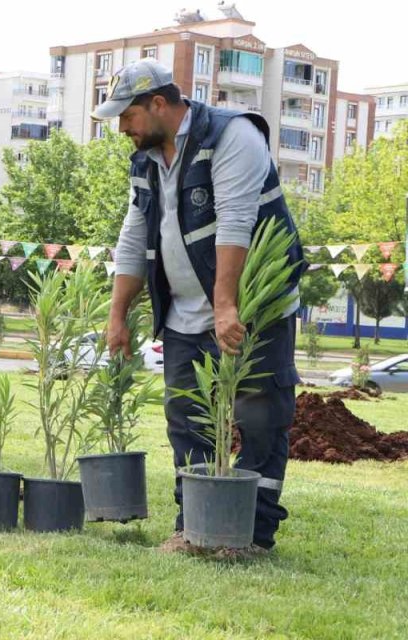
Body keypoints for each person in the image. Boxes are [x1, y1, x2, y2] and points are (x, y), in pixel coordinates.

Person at [94, 60, 306, 554]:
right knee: (186, 418)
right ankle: (194, 528)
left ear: (160, 104)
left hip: (254, 307)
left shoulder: (232, 137)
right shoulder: (146, 161)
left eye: (126, 116)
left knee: (258, 416)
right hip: (186, 312)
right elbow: (133, 239)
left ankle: (251, 535)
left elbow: (235, 220)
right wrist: (117, 316)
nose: (121, 127)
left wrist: (227, 306)